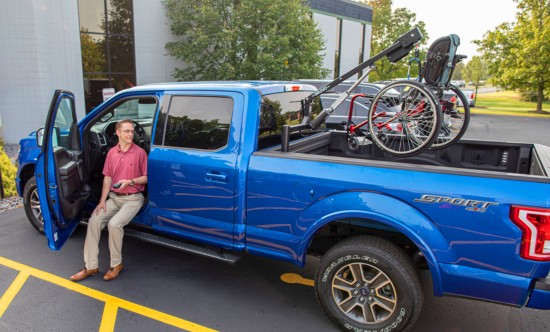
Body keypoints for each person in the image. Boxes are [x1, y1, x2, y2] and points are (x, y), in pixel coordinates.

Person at [70, 119, 147, 282]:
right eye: (127, 131)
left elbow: (146, 178)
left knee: (114, 225)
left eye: (132, 131)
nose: (130, 134)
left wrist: (130, 181)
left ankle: (116, 265)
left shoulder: (140, 152)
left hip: (133, 198)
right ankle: (90, 266)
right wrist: (102, 201)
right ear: (118, 133)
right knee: (94, 221)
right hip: (114, 197)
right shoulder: (112, 153)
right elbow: (107, 178)